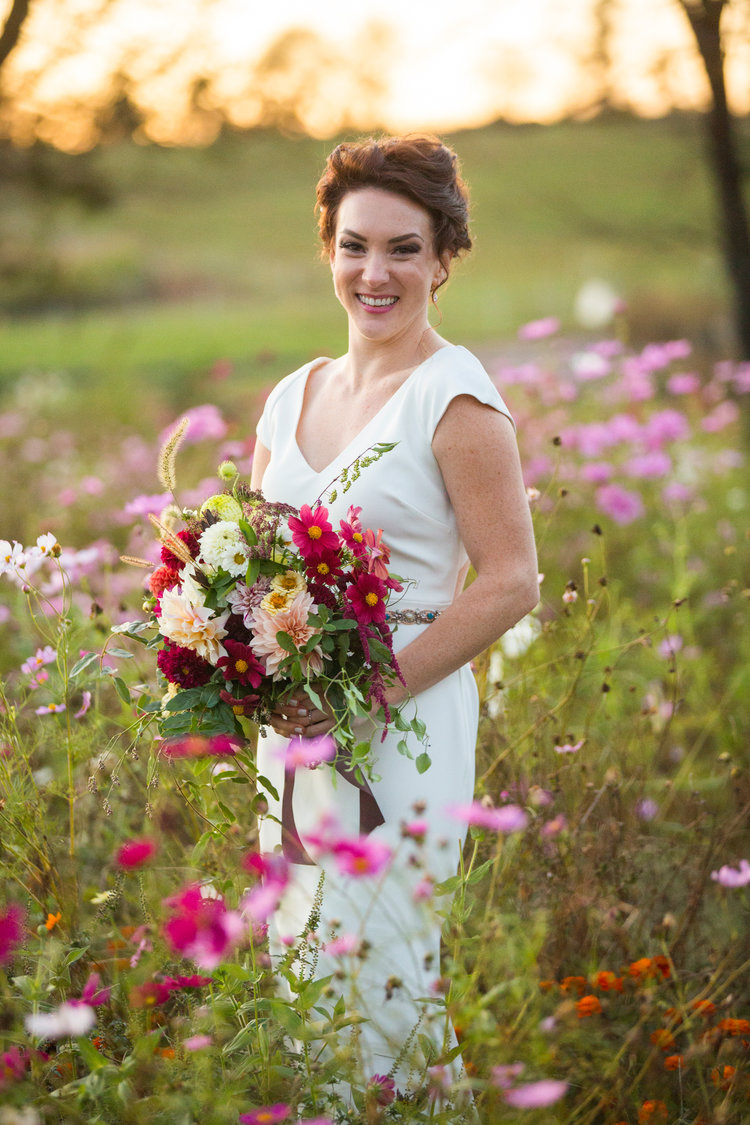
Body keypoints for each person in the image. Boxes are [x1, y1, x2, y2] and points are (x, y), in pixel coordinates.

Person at [250, 135, 539, 1102]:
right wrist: (239, 661)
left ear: (444, 256)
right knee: (298, 963)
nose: (376, 273)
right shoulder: (293, 396)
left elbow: (510, 580)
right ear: (328, 250)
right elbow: (257, 572)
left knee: (385, 967)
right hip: (292, 737)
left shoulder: (455, 400)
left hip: (402, 721)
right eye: (356, 246)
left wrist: (372, 691)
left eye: (404, 248)